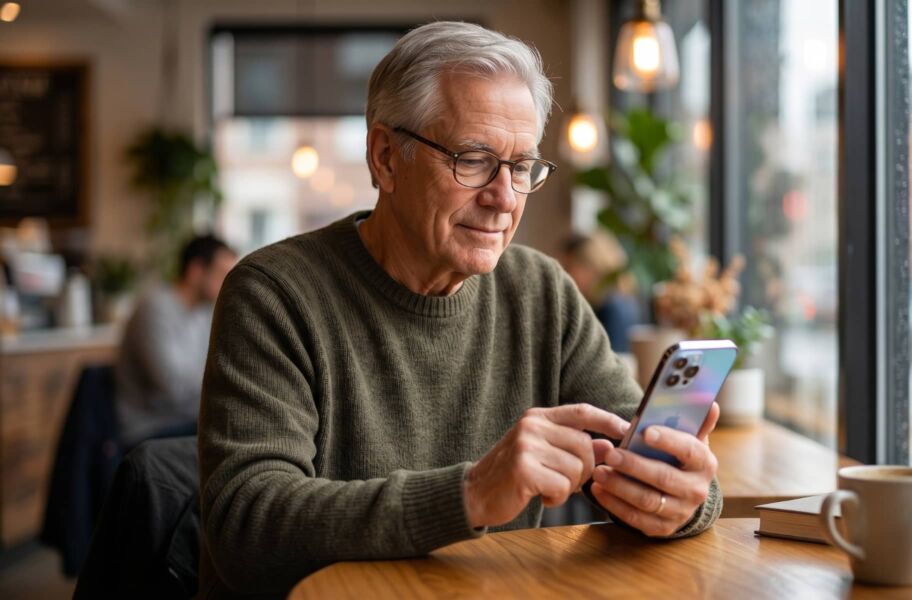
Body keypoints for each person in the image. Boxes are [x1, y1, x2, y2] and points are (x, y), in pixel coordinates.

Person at [198, 22, 722, 599]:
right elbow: (243, 526)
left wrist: (681, 496)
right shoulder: (274, 293)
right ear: (385, 158)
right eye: (473, 160)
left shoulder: (542, 291)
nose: (503, 198)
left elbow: (636, 452)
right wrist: (470, 493)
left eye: (521, 167)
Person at [115, 235, 236, 449]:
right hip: (150, 430)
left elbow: (222, 365)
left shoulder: (204, 311)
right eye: (222, 274)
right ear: (196, 271)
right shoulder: (155, 308)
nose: (228, 282)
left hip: (188, 422)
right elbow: (172, 387)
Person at [560, 231, 642, 353]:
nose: (564, 275)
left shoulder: (609, 309)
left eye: (568, 267)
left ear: (590, 267)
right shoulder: (625, 300)